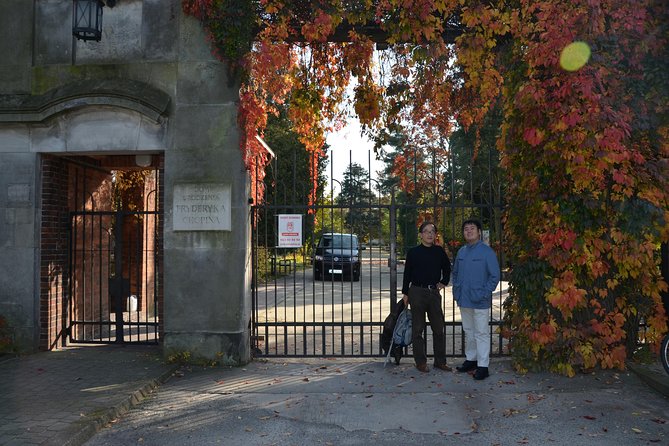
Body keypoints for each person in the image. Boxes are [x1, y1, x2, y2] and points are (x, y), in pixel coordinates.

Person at [452, 219, 501, 380]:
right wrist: (456, 291)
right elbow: (456, 273)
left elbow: (495, 276)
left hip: (480, 300)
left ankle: (483, 366)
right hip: (464, 299)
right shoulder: (461, 252)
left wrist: (485, 293)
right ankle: (471, 360)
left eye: (472, 228)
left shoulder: (487, 252)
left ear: (479, 232)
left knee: (481, 333)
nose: (469, 231)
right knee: (469, 331)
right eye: (466, 229)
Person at [401, 221, 452, 373]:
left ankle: (440, 361)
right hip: (416, 292)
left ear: (435, 235)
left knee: (438, 328)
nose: (430, 234)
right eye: (426, 231)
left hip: (433, 293)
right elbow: (407, 274)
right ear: (421, 234)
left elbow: (447, 268)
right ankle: (420, 362)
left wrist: (443, 282)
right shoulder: (413, 252)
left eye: (432, 231)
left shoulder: (439, 252)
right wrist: (405, 293)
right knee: (418, 329)